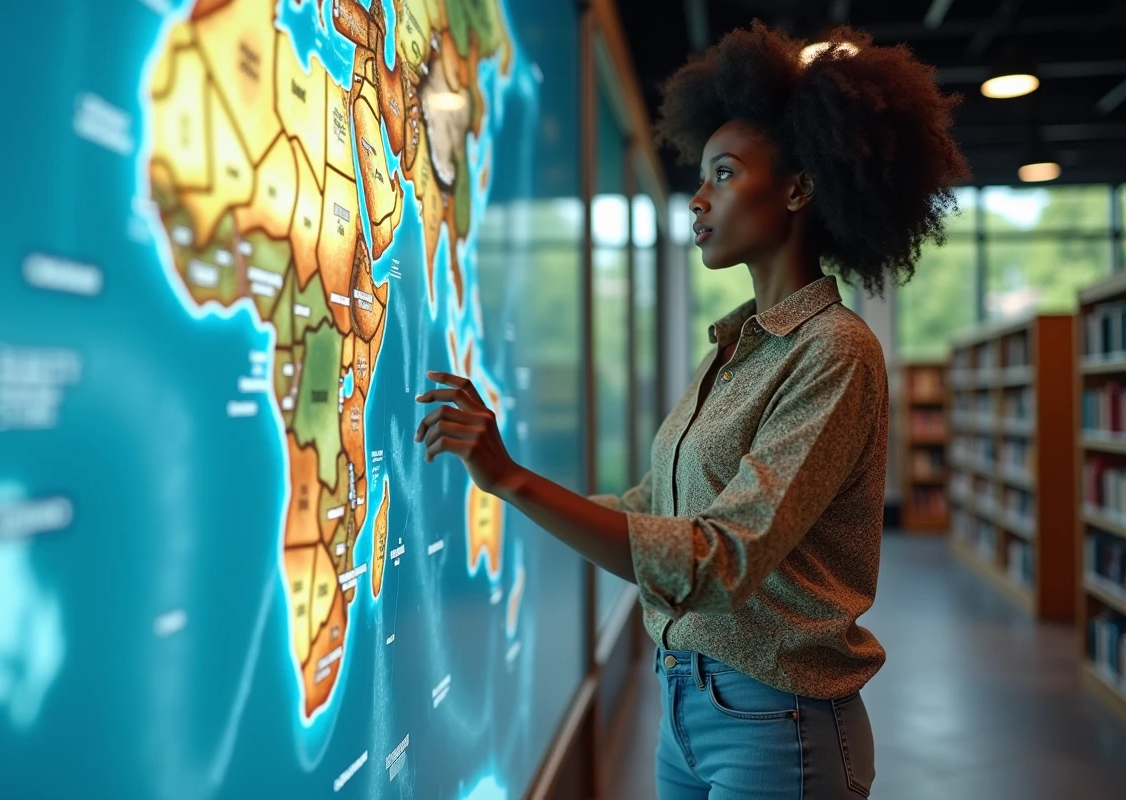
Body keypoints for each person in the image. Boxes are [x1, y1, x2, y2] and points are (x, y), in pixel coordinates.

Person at [415, 22, 968, 800]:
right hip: (687, 705)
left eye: (725, 173)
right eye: (701, 177)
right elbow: (653, 510)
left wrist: (510, 480)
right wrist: (507, 488)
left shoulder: (835, 352)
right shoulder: (732, 347)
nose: (699, 201)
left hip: (779, 726)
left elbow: (720, 558)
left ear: (799, 188)